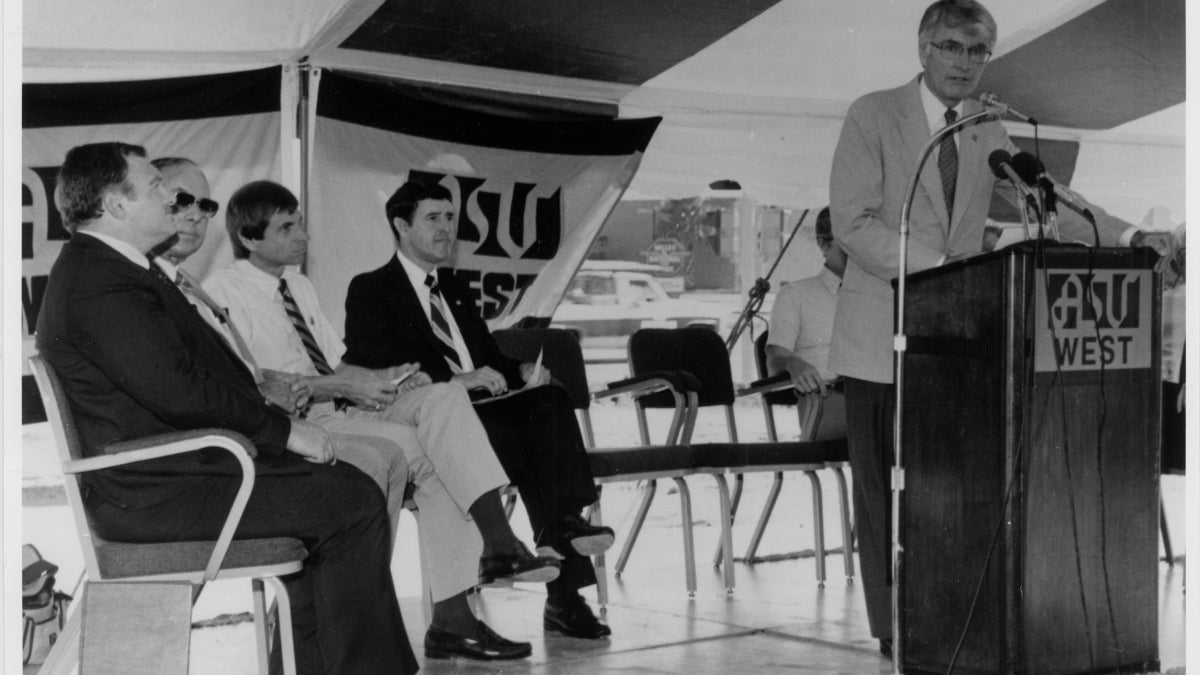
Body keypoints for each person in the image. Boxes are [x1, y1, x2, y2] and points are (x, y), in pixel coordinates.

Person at [827, 0, 1171, 657]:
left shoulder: (985, 126)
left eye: (978, 51)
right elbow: (853, 223)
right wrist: (939, 269)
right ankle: (893, 627)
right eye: (952, 47)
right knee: (884, 492)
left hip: (954, 342)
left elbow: (1045, 197)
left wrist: (1129, 233)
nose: (965, 62)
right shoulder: (872, 114)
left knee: (945, 488)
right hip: (879, 339)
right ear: (924, 49)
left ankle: (943, 606)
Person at [35, 142, 417, 675]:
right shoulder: (103, 282)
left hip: (179, 472)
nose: (170, 197)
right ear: (115, 206)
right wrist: (285, 433)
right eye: (154, 188)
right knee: (351, 499)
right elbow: (180, 392)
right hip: (159, 490)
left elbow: (201, 379)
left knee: (340, 493)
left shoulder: (115, 270)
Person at [204, 179, 559, 661]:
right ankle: (459, 603)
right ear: (249, 238)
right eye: (287, 227)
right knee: (430, 458)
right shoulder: (224, 292)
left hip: (340, 407)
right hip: (298, 425)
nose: (303, 234)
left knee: (441, 398)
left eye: (301, 221)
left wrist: (391, 376)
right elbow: (251, 380)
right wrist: (345, 386)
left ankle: (492, 551)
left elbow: (337, 364)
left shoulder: (299, 286)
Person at [342, 179, 615, 641]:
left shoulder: (454, 285)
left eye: (450, 218)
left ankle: (561, 526)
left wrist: (522, 368)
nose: (447, 228)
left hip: (489, 415)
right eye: (433, 218)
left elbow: (485, 358)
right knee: (533, 449)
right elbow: (377, 370)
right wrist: (452, 381)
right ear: (400, 225)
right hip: (440, 425)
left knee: (547, 400)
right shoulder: (371, 289)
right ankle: (564, 594)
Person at [766, 207, 848, 440]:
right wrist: (793, 364)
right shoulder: (795, 295)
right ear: (823, 245)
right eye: (845, 243)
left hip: (875, 398)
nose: (855, 251)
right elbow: (775, 361)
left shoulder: (879, 296)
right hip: (826, 400)